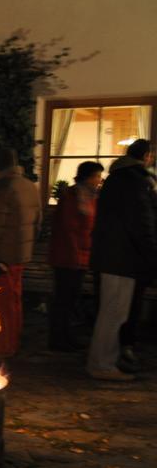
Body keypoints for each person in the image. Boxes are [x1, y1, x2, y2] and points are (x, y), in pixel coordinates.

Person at [87, 139, 157, 381]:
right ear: (147, 156)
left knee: (113, 311)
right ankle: (102, 364)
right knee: (114, 312)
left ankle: (105, 360)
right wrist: (151, 253)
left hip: (113, 255)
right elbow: (141, 222)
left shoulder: (118, 179)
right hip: (122, 257)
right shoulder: (135, 182)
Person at [0, 147, 42, 359]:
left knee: (2, 302)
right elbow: (37, 222)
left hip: (3, 255)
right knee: (15, 300)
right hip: (20, 254)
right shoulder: (29, 186)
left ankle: (4, 346)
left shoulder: (1, 188)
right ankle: (13, 341)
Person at [47, 161, 103, 352]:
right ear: (87, 177)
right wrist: (77, 256)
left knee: (71, 298)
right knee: (64, 298)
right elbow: (69, 230)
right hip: (68, 257)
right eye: (97, 176)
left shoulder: (91, 197)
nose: (99, 180)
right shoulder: (73, 197)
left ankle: (65, 335)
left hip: (80, 256)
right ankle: (59, 337)